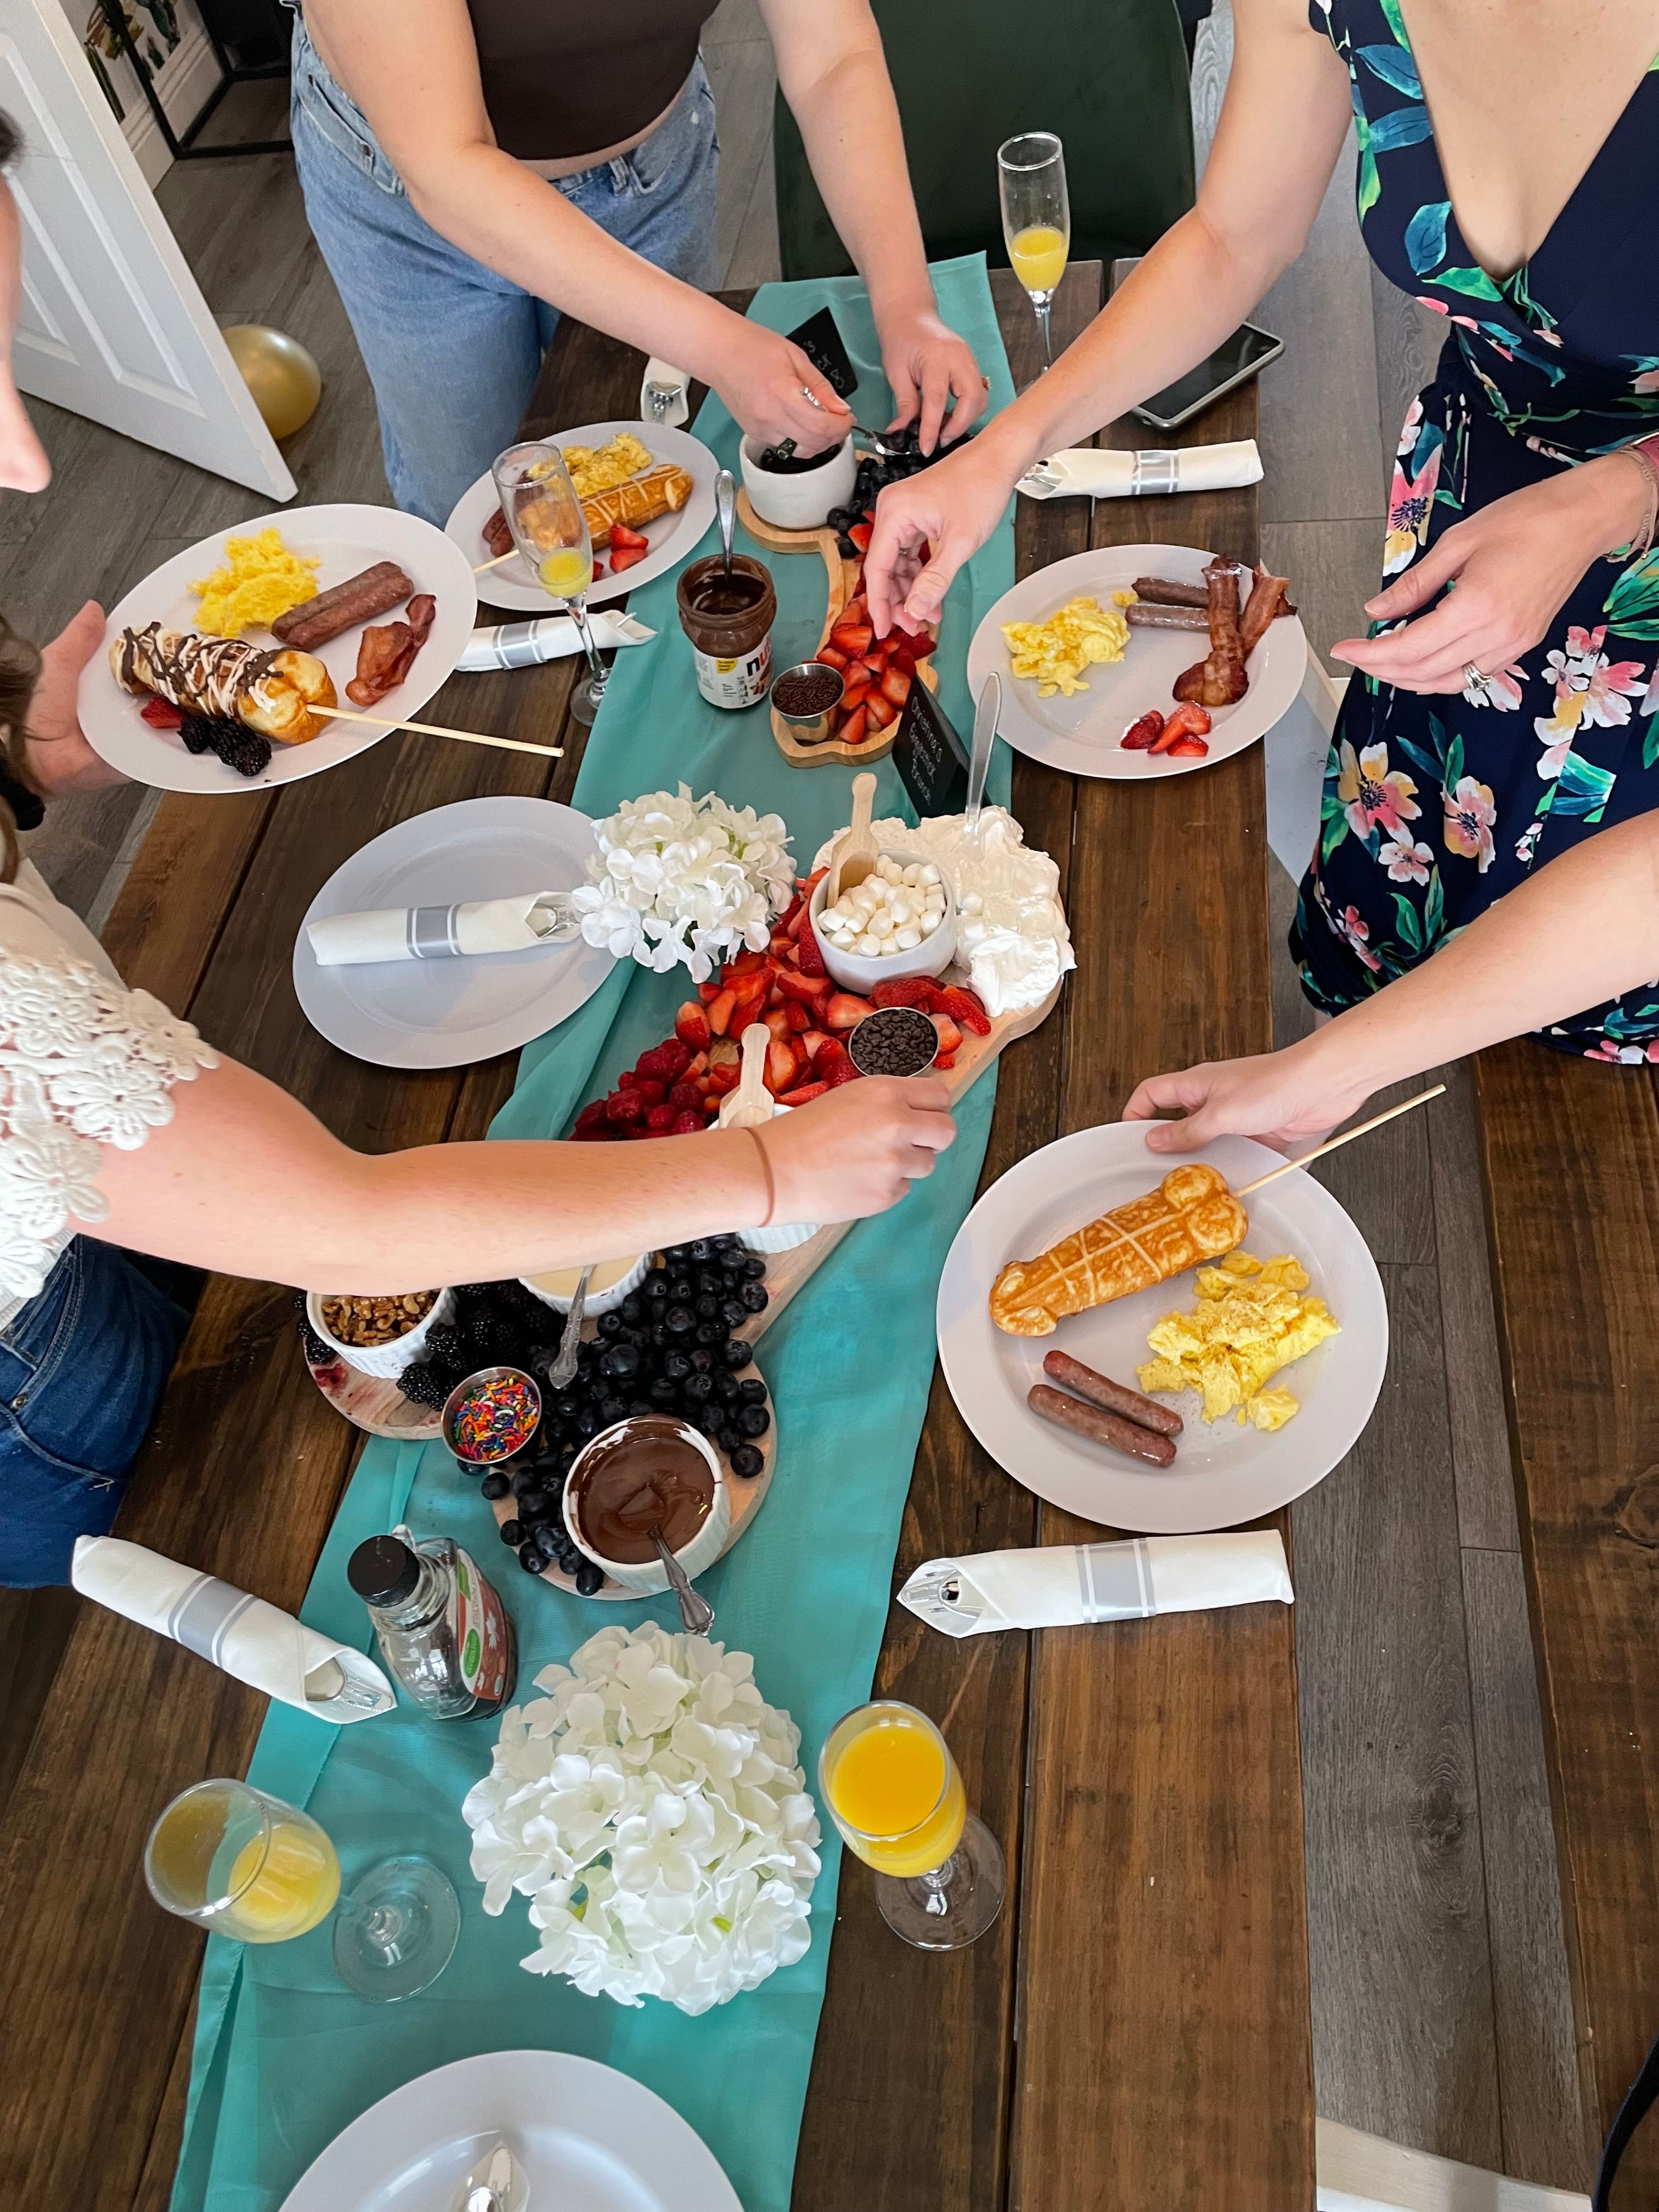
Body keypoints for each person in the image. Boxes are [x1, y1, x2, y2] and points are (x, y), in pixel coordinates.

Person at [0, 126, 958, 1589]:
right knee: (193, 1532)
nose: (27, 461)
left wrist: (22, 754)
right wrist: (764, 1165)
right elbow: (350, 1217)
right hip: (40, 1380)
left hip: (107, 1198)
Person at [864, 0, 1659, 1059]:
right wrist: (1000, 453)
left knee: (1601, 1028)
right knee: (1424, 953)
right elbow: (1233, 234)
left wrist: (1614, 496)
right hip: (1470, 512)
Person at [286, 0, 988, 525]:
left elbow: (832, 54)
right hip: (413, 206)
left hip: (649, 173)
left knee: (656, 487)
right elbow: (445, 164)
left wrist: (905, 304)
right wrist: (723, 346)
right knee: (477, 513)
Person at [1124, 808, 1659, 1154]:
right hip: (1453, 736)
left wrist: (1324, 1075)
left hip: (1620, 843)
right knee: (1374, 933)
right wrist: (1326, 1074)